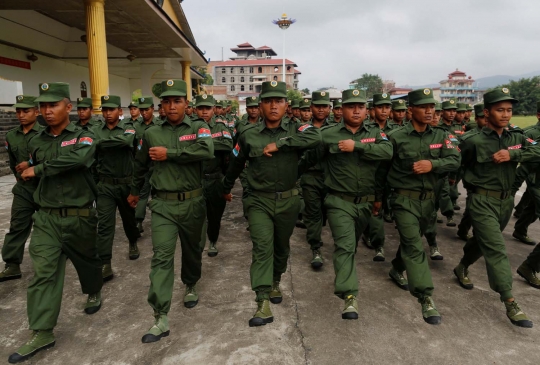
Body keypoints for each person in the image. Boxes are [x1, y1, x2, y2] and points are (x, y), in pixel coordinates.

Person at [8, 82, 103, 363]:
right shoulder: (36, 141)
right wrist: (28, 168)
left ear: (68, 107)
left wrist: (37, 169)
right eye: (43, 107)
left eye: (53, 105)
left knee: (88, 262)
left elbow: (78, 160)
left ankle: (94, 290)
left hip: (80, 216)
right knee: (43, 274)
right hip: (47, 217)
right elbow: (28, 163)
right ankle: (42, 330)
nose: (47, 112)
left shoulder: (85, 136)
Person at [222, 80, 320, 327]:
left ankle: (277, 279)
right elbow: (235, 162)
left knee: (281, 247)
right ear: (260, 105)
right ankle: (262, 299)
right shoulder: (247, 134)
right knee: (262, 247)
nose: (273, 106)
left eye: (279, 101)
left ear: (286, 105)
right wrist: (224, 188)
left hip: (288, 201)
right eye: (268, 101)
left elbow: (316, 137)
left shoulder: (298, 129)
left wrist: (281, 144)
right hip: (259, 201)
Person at [128, 79, 213, 343]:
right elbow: (141, 165)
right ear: (161, 106)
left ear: (187, 105)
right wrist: (134, 191)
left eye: (177, 101)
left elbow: (206, 150)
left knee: (192, 250)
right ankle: (160, 316)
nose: (172, 106)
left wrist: (171, 153)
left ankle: (190, 283)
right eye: (167, 101)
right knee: (161, 257)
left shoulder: (200, 127)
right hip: (163, 204)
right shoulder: (151, 133)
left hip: (193, 202)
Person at [301, 88, 392, 318]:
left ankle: (347, 284)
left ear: (366, 110)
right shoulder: (329, 134)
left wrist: (357, 146)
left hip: (365, 204)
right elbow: (308, 159)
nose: (356, 110)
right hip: (338, 201)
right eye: (351, 106)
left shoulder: (376, 133)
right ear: (341, 109)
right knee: (345, 246)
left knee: (351, 242)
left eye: (360, 106)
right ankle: (349, 295)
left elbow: (387, 151)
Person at [453, 87, 540, 328]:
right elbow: (455, 162)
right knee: (496, 248)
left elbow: (537, 150)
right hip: (481, 201)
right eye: (500, 110)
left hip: (506, 201)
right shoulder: (472, 141)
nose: (505, 115)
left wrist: (513, 156)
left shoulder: (517, 137)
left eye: (509, 110)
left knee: (482, 242)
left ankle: (462, 266)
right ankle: (509, 300)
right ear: (487, 112)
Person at [386, 88, 460, 325]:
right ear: (410, 110)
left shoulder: (442, 135)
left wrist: (433, 164)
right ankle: (425, 296)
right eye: (423, 107)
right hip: (403, 199)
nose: (430, 111)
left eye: (432, 108)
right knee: (415, 246)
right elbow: (382, 171)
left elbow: (455, 159)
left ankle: (396, 268)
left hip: (428, 200)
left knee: (412, 240)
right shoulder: (396, 137)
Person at [93, 95, 140, 282]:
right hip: (105, 186)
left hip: (126, 183)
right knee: (104, 226)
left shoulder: (129, 127)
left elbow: (127, 142)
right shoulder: (97, 129)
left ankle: (133, 241)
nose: (107, 113)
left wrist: (100, 143)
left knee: (129, 219)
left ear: (119, 111)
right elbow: (92, 150)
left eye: (111, 109)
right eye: (104, 110)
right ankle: (105, 262)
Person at [0, 95, 43, 282]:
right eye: (18, 111)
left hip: (44, 188)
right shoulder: (11, 135)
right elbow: (12, 162)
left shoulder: (46, 134)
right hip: (24, 189)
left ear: (36, 112)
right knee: (17, 225)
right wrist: (19, 176)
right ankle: (12, 264)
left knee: (47, 227)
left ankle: (51, 259)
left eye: (26, 111)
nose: (21, 115)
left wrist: (31, 164)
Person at [194, 94, 233, 257]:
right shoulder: (190, 127)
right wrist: (213, 145)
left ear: (213, 109)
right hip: (196, 179)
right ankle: (198, 241)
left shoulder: (221, 127)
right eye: (201, 108)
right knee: (196, 214)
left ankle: (213, 240)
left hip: (216, 178)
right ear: (196, 110)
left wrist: (203, 145)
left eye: (208, 108)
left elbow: (227, 144)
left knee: (215, 214)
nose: (204, 112)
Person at [362, 93, 398, 261]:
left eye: (387, 107)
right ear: (372, 110)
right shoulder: (365, 129)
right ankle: (379, 245)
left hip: (389, 177)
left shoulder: (397, 131)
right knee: (374, 210)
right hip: (369, 176)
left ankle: (370, 234)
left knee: (381, 209)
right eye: (380, 107)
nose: (384, 111)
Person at [299, 91, 332, 268]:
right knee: (312, 214)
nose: (321, 109)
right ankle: (316, 248)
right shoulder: (301, 129)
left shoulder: (336, 129)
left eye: (324, 106)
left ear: (329, 108)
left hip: (331, 178)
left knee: (328, 213)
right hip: (310, 176)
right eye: (317, 106)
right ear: (311, 108)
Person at [457, 103, 487, 241]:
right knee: (472, 207)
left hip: (492, 181)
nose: (486, 120)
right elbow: (457, 159)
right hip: (474, 179)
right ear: (477, 119)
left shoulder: (504, 134)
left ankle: (467, 232)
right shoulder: (469, 139)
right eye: (482, 117)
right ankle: (465, 231)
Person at [512, 102, 540, 245]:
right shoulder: (529, 133)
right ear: (538, 115)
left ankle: (520, 229)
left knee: (533, 208)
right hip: (530, 172)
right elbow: (517, 151)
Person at [133, 96, 163, 233]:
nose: (144, 113)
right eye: (141, 110)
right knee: (143, 194)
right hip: (143, 166)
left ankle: (161, 221)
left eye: (146, 110)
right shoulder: (135, 126)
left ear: (152, 109)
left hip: (157, 166)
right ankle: (138, 221)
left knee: (158, 195)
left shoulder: (160, 125)